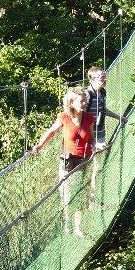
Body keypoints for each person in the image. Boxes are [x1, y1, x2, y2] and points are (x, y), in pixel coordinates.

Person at [33, 86, 95, 237]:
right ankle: (67, 222)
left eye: (85, 100)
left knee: (81, 194)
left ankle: (78, 228)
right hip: (67, 161)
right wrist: (40, 145)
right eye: (81, 101)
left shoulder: (89, 118)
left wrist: (96, 147)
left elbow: (92, 137)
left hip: (84, 160)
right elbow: (52, 131)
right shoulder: (64, 117)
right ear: (72, 103)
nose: (85, 103)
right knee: (67, 195)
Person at [86, 66, 128, 150]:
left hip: (100, 131)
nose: (105, 79)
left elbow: (103, 110)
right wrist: (93, 141)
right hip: (88, 135)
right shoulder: (86, 95)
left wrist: (119, 118)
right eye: (102, 77)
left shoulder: (102, 92)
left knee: (98, 160)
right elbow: (80, 117)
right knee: (86, 160)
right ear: (92, 79)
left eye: (105, 76)